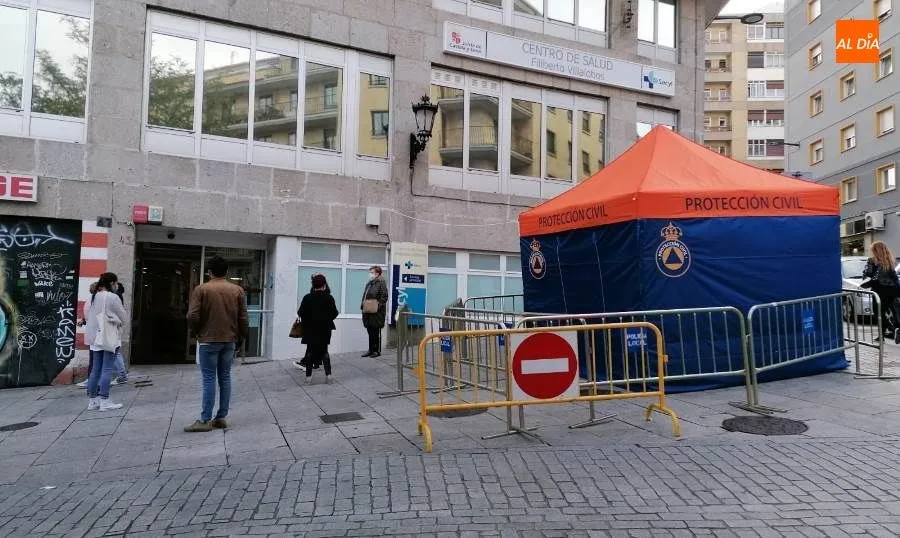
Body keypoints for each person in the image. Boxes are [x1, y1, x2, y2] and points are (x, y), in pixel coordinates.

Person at [184, 256, 249, 432]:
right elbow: (243, 317)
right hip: (229, 340)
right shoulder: (237, 290)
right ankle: (221, 417)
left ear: (209, 272)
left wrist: (197, 331)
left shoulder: (201, 289)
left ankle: (205, 420)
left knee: (209, 378)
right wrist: (242, 336)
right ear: (226, 272)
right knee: (225, 377)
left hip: (208, 340)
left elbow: (192, 316)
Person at [82, 273, 127, 411]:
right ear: (112, 283)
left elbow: (89, 316)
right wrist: (117, 320)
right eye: (115, 283)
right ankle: (105, 400)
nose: (116, 286)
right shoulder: (113, 297)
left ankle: (92, 400)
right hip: (108, 337)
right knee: (107, 369)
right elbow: (123, 317)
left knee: (95, 369)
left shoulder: (93, 296)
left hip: (95, 338)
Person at [297, 274, 339, 384]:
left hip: (310, 329)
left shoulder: (307, 297)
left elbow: (300, 312)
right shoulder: (329, 298)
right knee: (324, 351)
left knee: (310, 351)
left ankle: (308, 379)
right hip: (324, 329)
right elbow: (335, 313)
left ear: (313, 285)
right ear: (324, 285)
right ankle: (328, 376)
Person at [862, 241, 900, 344]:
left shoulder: (872, 261)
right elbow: (895, 278)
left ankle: (893, 330)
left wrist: (864, 274)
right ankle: (884, 335)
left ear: (875, 250)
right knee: (889, 312)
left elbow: (869, 275)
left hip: (879, 291)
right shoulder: (889, 261)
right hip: (893, 291)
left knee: (878, 313)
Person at [360, 265, 388, 358]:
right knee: (370, 330)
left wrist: (376, 307)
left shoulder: (381, 282)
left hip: (376, 312)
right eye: (370, 272)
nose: (370, 274)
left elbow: (384, 297)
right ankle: (370, 350)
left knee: (375, 331)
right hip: (368, 311)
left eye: (372, 272)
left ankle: (376, 351)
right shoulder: (369, 283)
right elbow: (365, 295)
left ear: (377, 273)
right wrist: (363, 305)